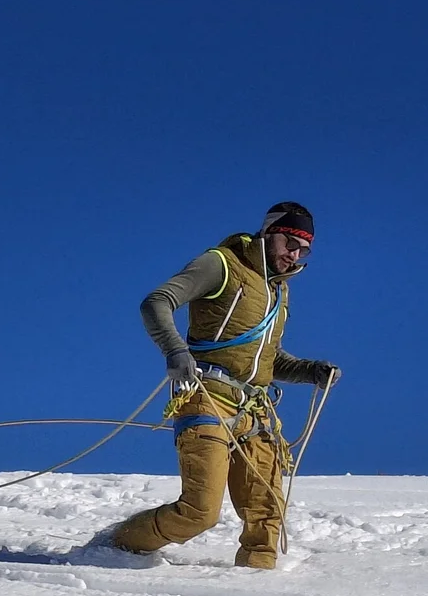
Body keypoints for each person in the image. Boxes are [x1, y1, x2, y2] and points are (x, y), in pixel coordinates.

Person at [108, 202, 340, 569]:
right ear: (269, 233)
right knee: (199, 512)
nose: (295, 254)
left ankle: (255, 589)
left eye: (303, 249)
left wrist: (310, 371)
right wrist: (175, 350)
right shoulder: (221, 263)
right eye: (289, 242)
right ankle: (117, 546)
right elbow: (157, 302)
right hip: (208, 399)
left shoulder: (278, 292)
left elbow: (268, 359)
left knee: (266, 517)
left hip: (258, 412)